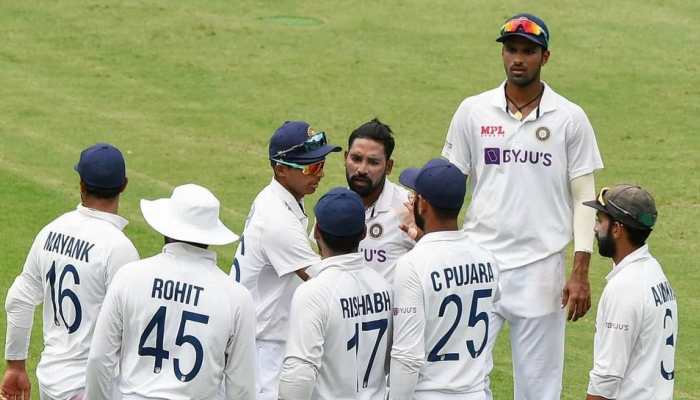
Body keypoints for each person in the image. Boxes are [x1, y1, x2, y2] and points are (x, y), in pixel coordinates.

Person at [441, 13, 604, 399]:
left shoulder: (570, 118)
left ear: (545, 57)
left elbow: (585, 196)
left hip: (541, 267)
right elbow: (448, 186)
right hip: (478, 261)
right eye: (511, 50)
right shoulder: (473, 111)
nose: (518, 58)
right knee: (462, 378)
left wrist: (580, 269)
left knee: (539, 387)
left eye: (528, 51)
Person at [85, 183, 256, 400]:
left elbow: (99, 359)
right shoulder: (237, 297)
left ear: (166, 226)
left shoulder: (129, 277)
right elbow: (242, 388)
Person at [1, 143, 138, 400]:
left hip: (51, 382)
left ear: (81, 184)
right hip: (91, 388)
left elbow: (19, 299)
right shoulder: (120, 249)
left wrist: (16, 365)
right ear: (124, 185)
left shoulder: (51, 231)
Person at [231, 120, 341, 400]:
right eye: (310, 167)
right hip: (263, 352)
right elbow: (326, 284)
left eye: (321, 164)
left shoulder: (280, 198)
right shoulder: (278, 220)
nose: (320, 174)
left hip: (262, 340)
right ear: (280, 169)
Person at [389, 159, 500, 400]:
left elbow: (407, 358)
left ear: (423, 204)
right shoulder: (487, 260)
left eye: (415, 196)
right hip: (476, 393)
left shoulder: (412, 265)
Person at [279, 187, 392, 400]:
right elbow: (389, 362)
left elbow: (299, 374)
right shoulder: (384, 287)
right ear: (363, 233)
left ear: (316, 233)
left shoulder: (313, 292)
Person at [583, 185, 677, 400]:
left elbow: (606, 377)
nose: (595, 228)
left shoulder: (624, 288)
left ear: (617, 229)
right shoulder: (655, 273)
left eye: (600, 220)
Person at [344, 118, 414, 283]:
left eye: (373, 162)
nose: (361, 169)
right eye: (356, 159)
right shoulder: (333, 205)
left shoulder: (408, 209)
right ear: (345, 157)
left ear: (389, 166)